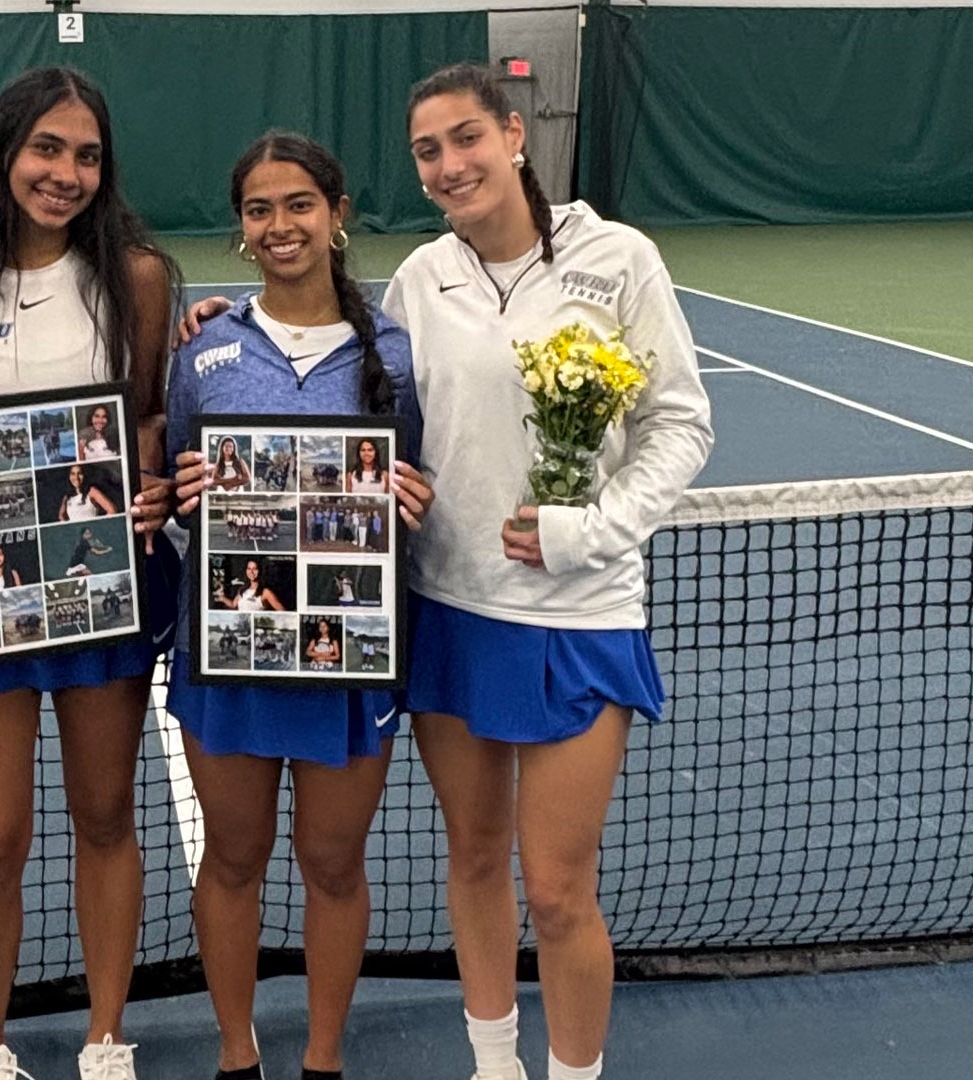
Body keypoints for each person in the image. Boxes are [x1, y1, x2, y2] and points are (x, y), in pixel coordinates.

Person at [383, 65, 714, 1080]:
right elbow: (382, 421)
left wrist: (593, 530)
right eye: (428, 151)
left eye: (466, 138)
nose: (450, 165)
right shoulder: (419, 280)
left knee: (561, 889)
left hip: (581, 613)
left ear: (515, 135)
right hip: (450, 608)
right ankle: (494, 1063)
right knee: (475, 860)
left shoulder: (620, 258)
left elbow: (681, 422)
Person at [0, 66, 180, 1080]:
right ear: (5, 152)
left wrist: (150, 482)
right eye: (47, 149)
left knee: (106, 818)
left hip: (105, 590)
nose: (66, 173)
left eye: (86, 155)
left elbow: (147, 414)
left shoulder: (138, 277)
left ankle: (106, 1036)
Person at [165, 131, 433, 1080]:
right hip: (229, 650)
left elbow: (411, 476)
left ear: (337, 214)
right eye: (259, 209)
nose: (280, 225)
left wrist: (412, 496)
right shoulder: (204, 350)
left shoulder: (395, 351)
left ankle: (323, 1058)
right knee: (233, 858)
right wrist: (186, 491)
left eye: (299, 204)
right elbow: (177, 486)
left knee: (333, 864)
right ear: (241, 228)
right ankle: (236, 1053)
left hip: (348, 653)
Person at [211, 556, 286, 612]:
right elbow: (233, 604)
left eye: (255, 569)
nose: (251, 572)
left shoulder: (266, 592)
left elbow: (282, 611)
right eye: (249, 569)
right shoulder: (242, 590)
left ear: (260, 571)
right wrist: (222, 598)